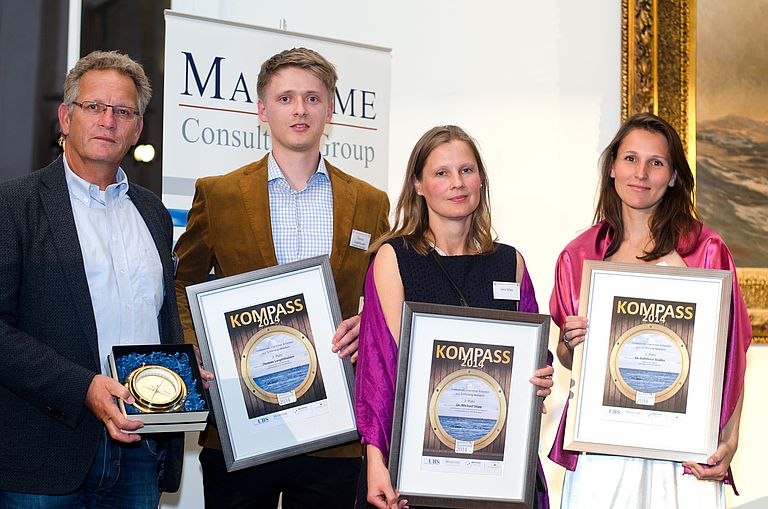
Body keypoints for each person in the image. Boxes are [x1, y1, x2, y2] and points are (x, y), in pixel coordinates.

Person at [173, 47, 390, 508]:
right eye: (286, 98)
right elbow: (181, 282)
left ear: (330, 110)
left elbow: (385, 295)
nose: (299, 110)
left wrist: (366, 323)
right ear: (262, 109)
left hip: (335, 427)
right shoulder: (219, 194)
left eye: (312, 98)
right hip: (241, 422)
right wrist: (196, 347)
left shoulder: (371, 201)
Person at [0, 50, 192, 507]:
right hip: (44, 453)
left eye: (123, 111)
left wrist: (186, 370)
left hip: (140, 449)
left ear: (137, 128)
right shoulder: (13, 205)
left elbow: (158, 317)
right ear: (66, 117)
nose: (108, 120)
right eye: (95, 107)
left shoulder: (153, 213)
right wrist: (82, 387)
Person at [549, 113, 752, 508]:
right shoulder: (579, 256)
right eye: (630, 159)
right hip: (604, 446)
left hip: (683, 450)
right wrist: (572, 343)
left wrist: (731, 438)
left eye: (656, 163)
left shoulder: (706, 249)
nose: (640, 173)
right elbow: (567, 356)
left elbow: (732, 354)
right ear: (612, 167)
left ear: (674, 175)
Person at [355, 125, 553, 509]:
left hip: (499, 468)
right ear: (418, 185)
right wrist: (376, 461)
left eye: (466, 170)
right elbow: (379, 370)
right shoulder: (394, 259)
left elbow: (534, 354)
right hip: (416, 468)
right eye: (441, 173)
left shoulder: (509, 262)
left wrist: (539, 378)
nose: (457, 183)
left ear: (481, 179)